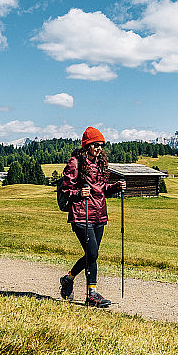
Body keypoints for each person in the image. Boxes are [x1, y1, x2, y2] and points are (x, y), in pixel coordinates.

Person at [59, 127, 125, 307]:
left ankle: (68, 278)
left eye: (101, 145)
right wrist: (79, 193)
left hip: (99, 214)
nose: (99, 148)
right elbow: (65, 190)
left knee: (91, 255)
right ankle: (92, 294)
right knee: (93, 253)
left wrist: (116, 187)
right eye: (96, 145)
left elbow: (102, 189)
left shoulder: (101, 163)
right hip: (81, 214)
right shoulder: (75, 163)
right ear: (87, 145)